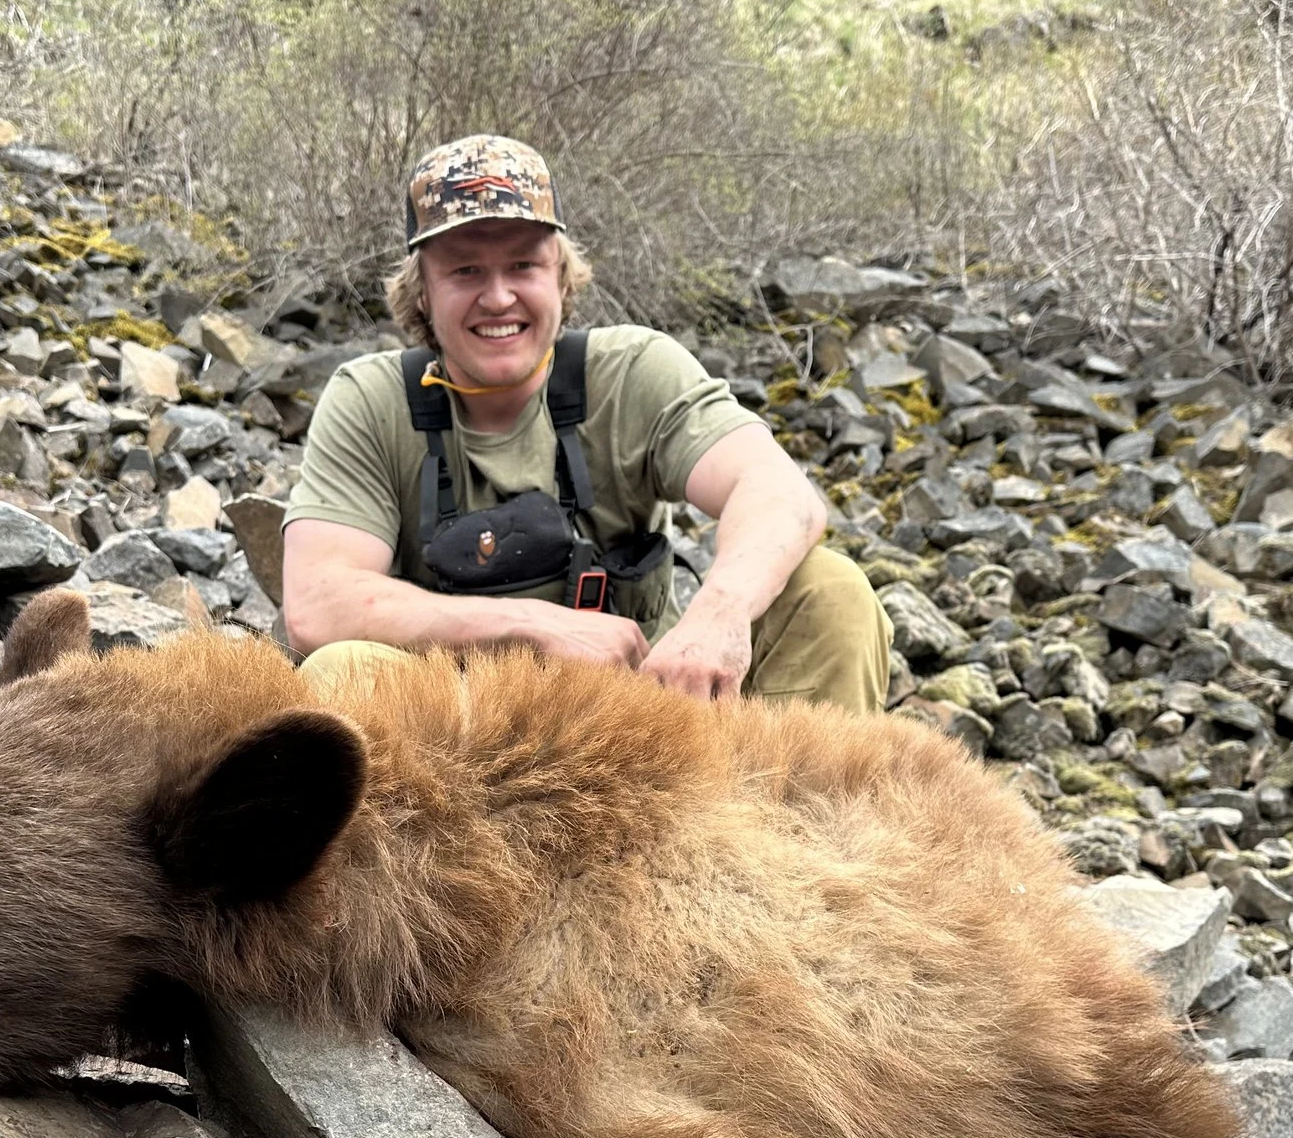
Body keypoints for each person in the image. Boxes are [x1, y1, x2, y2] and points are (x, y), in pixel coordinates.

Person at [279, 134, 890, 712]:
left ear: (562, 279)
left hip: (652, 719)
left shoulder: (634, 372)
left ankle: (803, 820)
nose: (497, 298)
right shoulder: (370, 399)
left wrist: (717, 618)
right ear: (421, 295)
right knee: (341, 671)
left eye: (523, 266)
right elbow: (317, 601)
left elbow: (781, 493)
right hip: (455, 744)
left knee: (829, 591)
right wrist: (533, 628)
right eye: (465, 271)